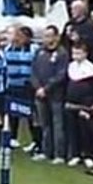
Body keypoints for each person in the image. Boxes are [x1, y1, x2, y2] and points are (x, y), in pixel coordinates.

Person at [31, 25, 69, 164]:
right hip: (40, 94)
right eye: (44, 36)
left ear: (56, 37)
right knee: (44, 124)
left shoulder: (62, 53)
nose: (45, 39)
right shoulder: (39, 52)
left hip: (56, 95)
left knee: (58, 125)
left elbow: (61, 75)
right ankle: (46, 152)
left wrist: (46, 88)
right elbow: (33, 71)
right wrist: (37, 87)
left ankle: (59, 154)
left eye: (48, 36)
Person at [64, 42, 93, 167]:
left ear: (85, 54)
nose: (76, 56)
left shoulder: (91, 68)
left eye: (79, 53)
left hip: (85, 103)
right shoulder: (71, 66)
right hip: (71, 102)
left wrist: (88, 105)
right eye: (74, 53)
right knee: (72, 129)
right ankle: (75, 154)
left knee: (84, 130)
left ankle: (87, 155)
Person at [4, 26, 39, 150]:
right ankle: (13, 138)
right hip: (13, 85)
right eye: (16, 36)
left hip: (28, 86)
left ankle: (35, 140)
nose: (17, 39)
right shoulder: (8, 49)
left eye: (20, 36)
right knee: (13, 111)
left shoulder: (34, 49)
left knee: (30, 113)